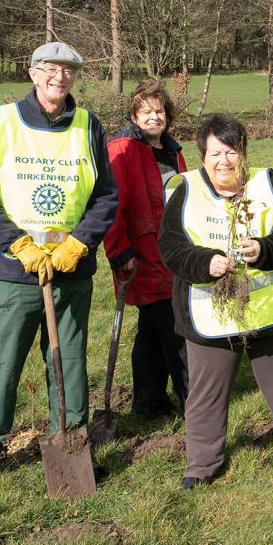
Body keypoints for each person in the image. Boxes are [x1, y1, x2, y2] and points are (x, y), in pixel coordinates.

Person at [0, 41, 118, 496]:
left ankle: (72, 446)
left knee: (68, 364)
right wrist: (18, 244)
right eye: (50, 68)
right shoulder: (1, 122)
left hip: (70, 271)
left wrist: (79, 244)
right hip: (13, 273)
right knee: (1, 365)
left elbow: (105, 196)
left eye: (68, 70)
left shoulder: (89, 126)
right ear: (33, 73)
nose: (59, 77)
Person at [158, 114, 273, 489]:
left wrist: (263, 250)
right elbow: (169, 248)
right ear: (203, 155)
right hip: (209, 315)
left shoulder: (266, 183)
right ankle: (202, 465)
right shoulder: (183, 189)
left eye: (231, 152)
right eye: (215, 152)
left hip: (266, 312)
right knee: (206, 394)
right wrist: (205, 262)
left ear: (243, 153)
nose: (224, 161)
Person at [103, 80, 189, 418]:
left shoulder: (173, 151)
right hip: (141, 255)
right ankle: (193, 400)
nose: (154, 118)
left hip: (172, 253)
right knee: (174, 327)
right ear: (134, 116)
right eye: (146, 112)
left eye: (160, 111)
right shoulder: (122, 149)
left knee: (152, 330)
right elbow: (110, 204)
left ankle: (148, 400)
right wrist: (119, 251)